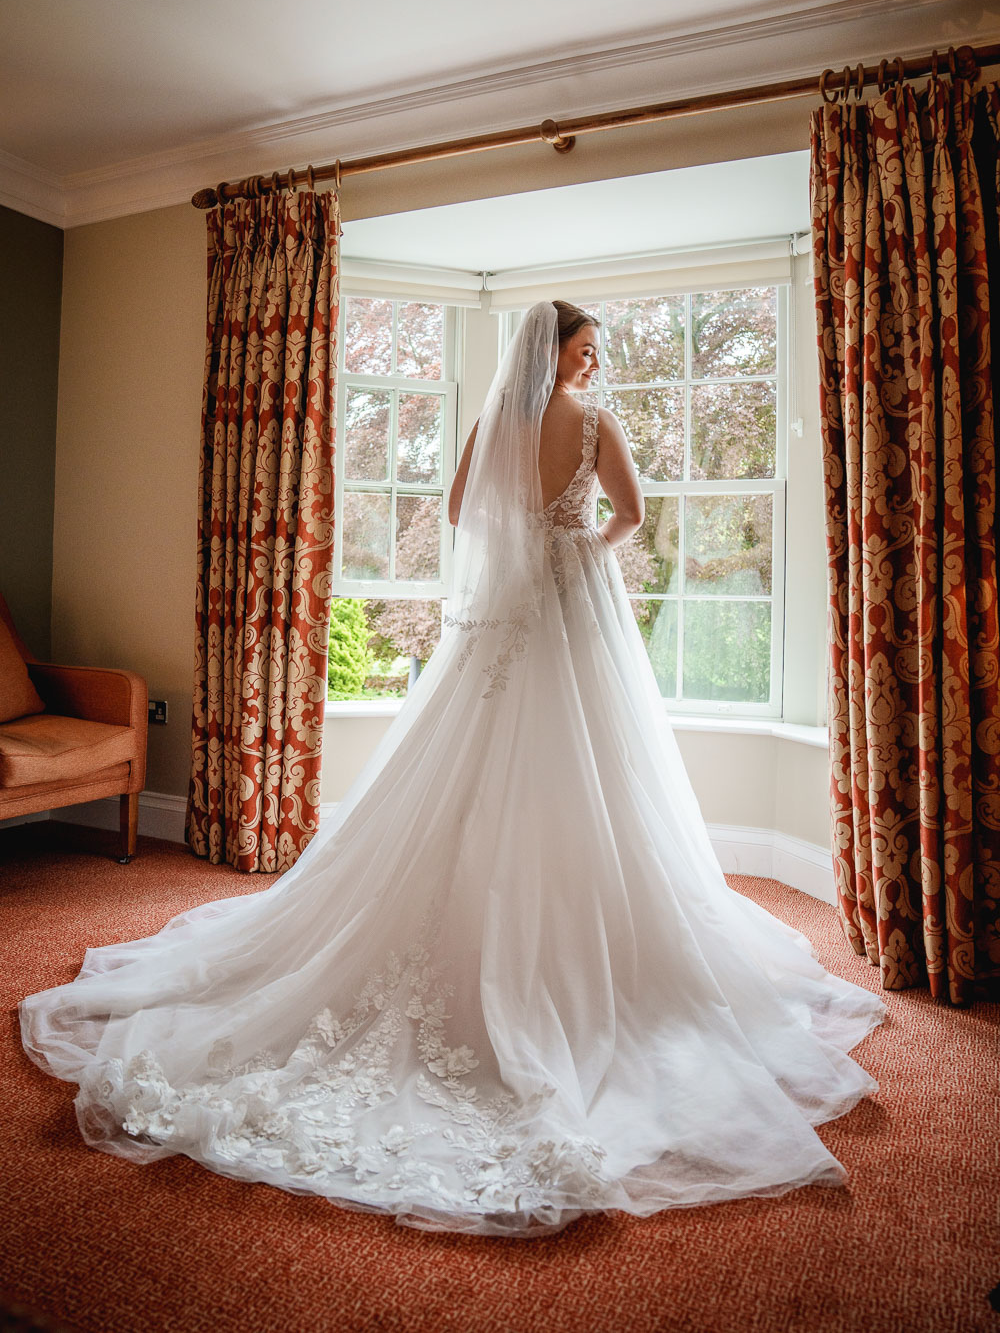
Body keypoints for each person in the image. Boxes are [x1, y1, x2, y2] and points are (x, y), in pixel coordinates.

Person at [19, 301, 887, 1239]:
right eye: (585, 351)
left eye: (595, 354)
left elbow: (456, 510)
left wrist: (519, 551)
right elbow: (632, 516)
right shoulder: (596, 424)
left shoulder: (495, 420)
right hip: (571, 609)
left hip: (503, 616)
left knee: (476, 766)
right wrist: (577, 554)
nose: (592, 365)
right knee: (592, 772)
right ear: (556, 351)